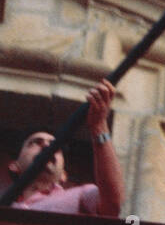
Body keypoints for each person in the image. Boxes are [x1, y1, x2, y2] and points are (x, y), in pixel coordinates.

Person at [7, 80, 125, 217]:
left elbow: (113, 204)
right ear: (14, 166)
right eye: (35, 142)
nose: (46, 145)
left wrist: (99, 126)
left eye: (53, 146)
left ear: (63, 174)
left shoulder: (81, 195)